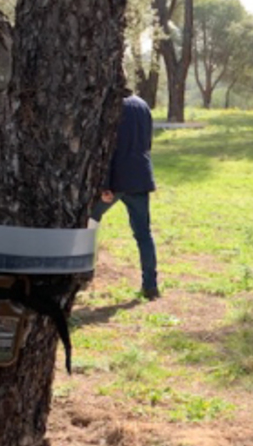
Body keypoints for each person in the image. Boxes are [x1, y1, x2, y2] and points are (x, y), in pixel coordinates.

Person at [91, 93, 159, 300]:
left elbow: (108, 147)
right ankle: (150, 285)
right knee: (144, 234)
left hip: (117, 178)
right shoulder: (143, 105)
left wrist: (105, 184)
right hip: (140, 175)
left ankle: (83, 270)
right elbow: (148, 142)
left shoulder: (112, 104)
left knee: (90, 219)